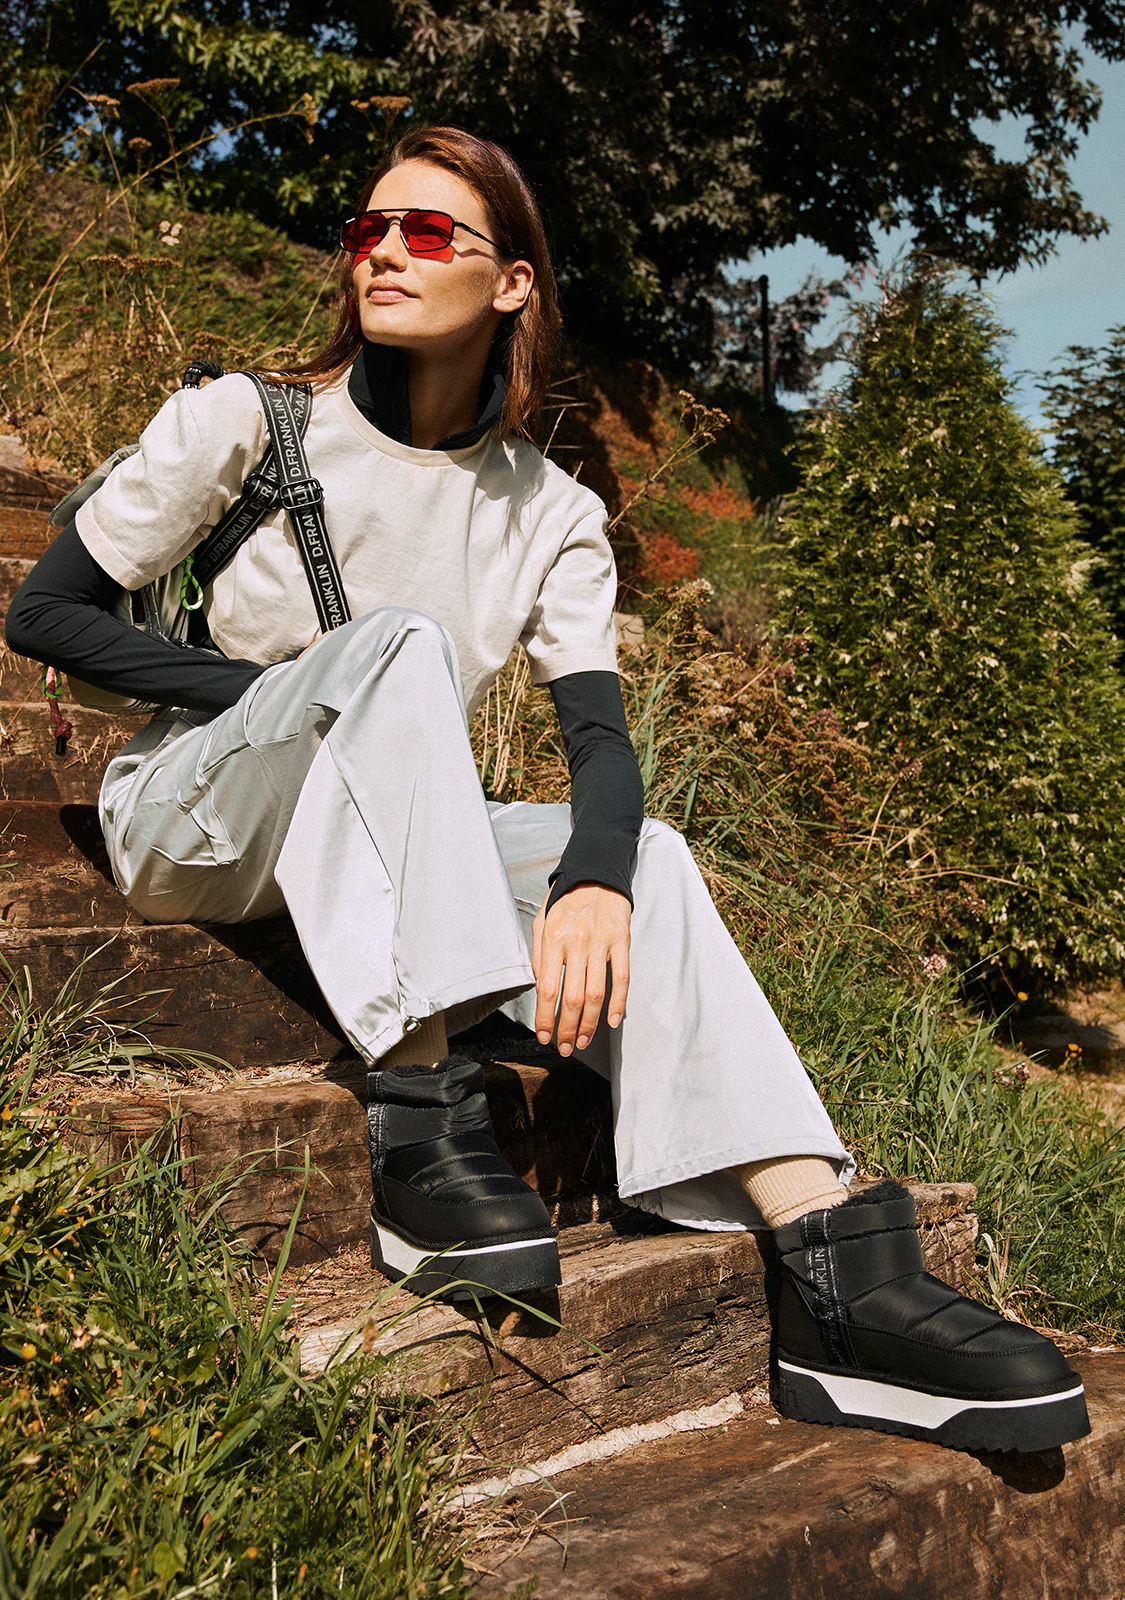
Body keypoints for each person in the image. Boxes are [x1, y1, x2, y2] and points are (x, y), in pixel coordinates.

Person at [5, 127, 1087, 1455]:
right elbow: (44, 612)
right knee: (392, 651)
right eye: (367, 230)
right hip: (197, 808)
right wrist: (301, 694)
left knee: (652, 861)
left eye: (427, 233)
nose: (384, 253)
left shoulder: (552, 510)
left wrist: (594, 879)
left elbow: (601, 743)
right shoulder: (247, 420)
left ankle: (834, 1268)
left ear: (511, 282)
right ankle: (422, 1112)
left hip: (389, 834)